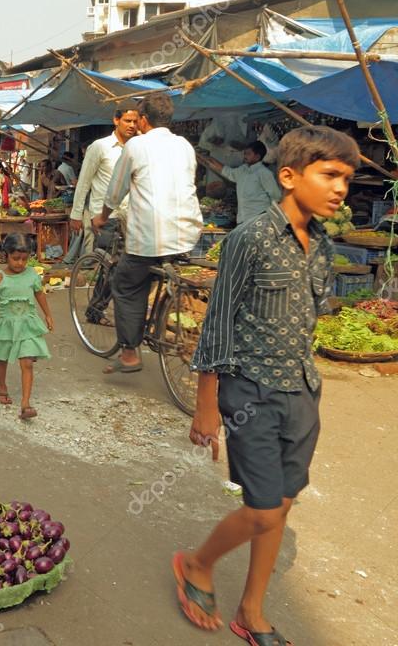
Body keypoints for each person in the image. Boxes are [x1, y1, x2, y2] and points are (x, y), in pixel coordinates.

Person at [177, 126, 358, 645]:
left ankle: (252, 610)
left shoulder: (322, 247)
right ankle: (197, 563)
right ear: (288, 176)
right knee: (260, 508)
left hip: (302, 391)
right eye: (329, 175)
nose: (340, 188)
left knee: (281, 502)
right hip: (250, 391)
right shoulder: (248, 238)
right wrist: (206, 404)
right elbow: (219, 322)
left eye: (346, 178)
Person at [93, 92, 203, 374]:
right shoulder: (184, 146)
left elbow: (115, 192)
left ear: (143, 120)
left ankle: (130, 353)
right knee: (150, 272)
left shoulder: (136, 146)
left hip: (150, 238)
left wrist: (102, 217)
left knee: (126, 284)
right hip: (187, 236)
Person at [0, 233, 54, 420]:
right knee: (3, 356)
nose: (20, 263)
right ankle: (1, 387)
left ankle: (25, 403)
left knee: (28, 362)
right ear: (6, 255)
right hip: (6, 324)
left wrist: (47, 314)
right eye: (16, 258)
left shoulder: (31, 274)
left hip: (27, 324)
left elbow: (39, 294)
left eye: (24, 259)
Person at [70, 108, 140, 255]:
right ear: (116, 120)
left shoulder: (138, 147)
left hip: (131, 215)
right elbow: (84, 182)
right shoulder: (99, 147)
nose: (132, 125)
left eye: (135, 121)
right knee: (106, 262)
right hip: (105, 217)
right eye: (128, 121)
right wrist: (76, 215)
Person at [197, 142, 281, 225]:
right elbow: (226, 171)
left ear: (257, 157)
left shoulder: (264, 173)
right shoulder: (243, 170)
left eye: (248, 154)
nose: (245, 156)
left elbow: (276, 197)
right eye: (245, 153)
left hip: (259, 220)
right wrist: (206, 159)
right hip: (242, 220)